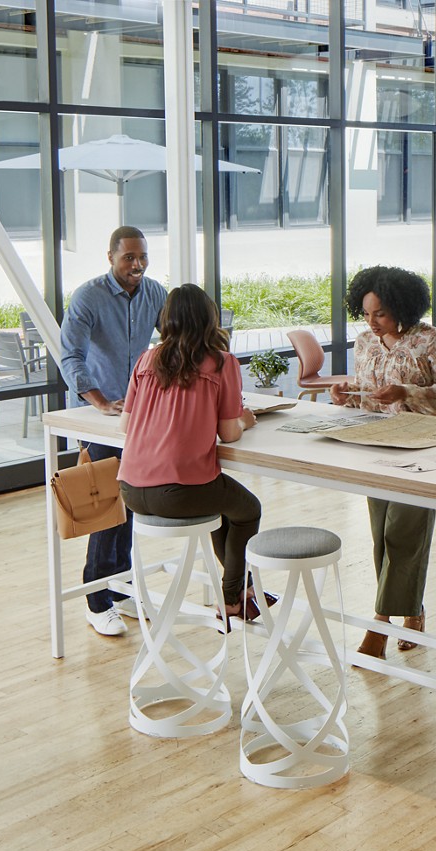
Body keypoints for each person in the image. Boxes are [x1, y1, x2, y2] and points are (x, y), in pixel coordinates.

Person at [117, 284, 267, 623]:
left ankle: (242, 592)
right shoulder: (221, 362)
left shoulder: (146, 358)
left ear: (166, 320)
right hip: (179, 491)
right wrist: (244, 420)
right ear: (208, 319)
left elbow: (125, 425)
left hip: (130, 489)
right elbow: (228, 434)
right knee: (248, 510)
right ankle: (232, 599)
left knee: (219, 505)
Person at [330, 266, 436, 659]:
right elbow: (366, 394)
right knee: (383, 533)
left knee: (403, 530)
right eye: (366, 313)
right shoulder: (365, 342)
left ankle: (379, 623)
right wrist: (344, 395)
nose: (371, 322)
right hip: (376, 445)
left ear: (401, 306)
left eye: (379, 313)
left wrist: (408, 392)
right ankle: (413, 612)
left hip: (423, 447)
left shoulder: (431, 340)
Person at [60, 226, 166, 637]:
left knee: (130, 502)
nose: (137, 265)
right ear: (110, 257)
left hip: (138, 415)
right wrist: (101, 401)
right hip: (100, 415)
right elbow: (71, 355)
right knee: (107, 505)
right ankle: (96, 598)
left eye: (142, 257)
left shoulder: (155, 292)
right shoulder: (89, 297)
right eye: (128, 258)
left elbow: (175, 336)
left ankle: (120, 589)